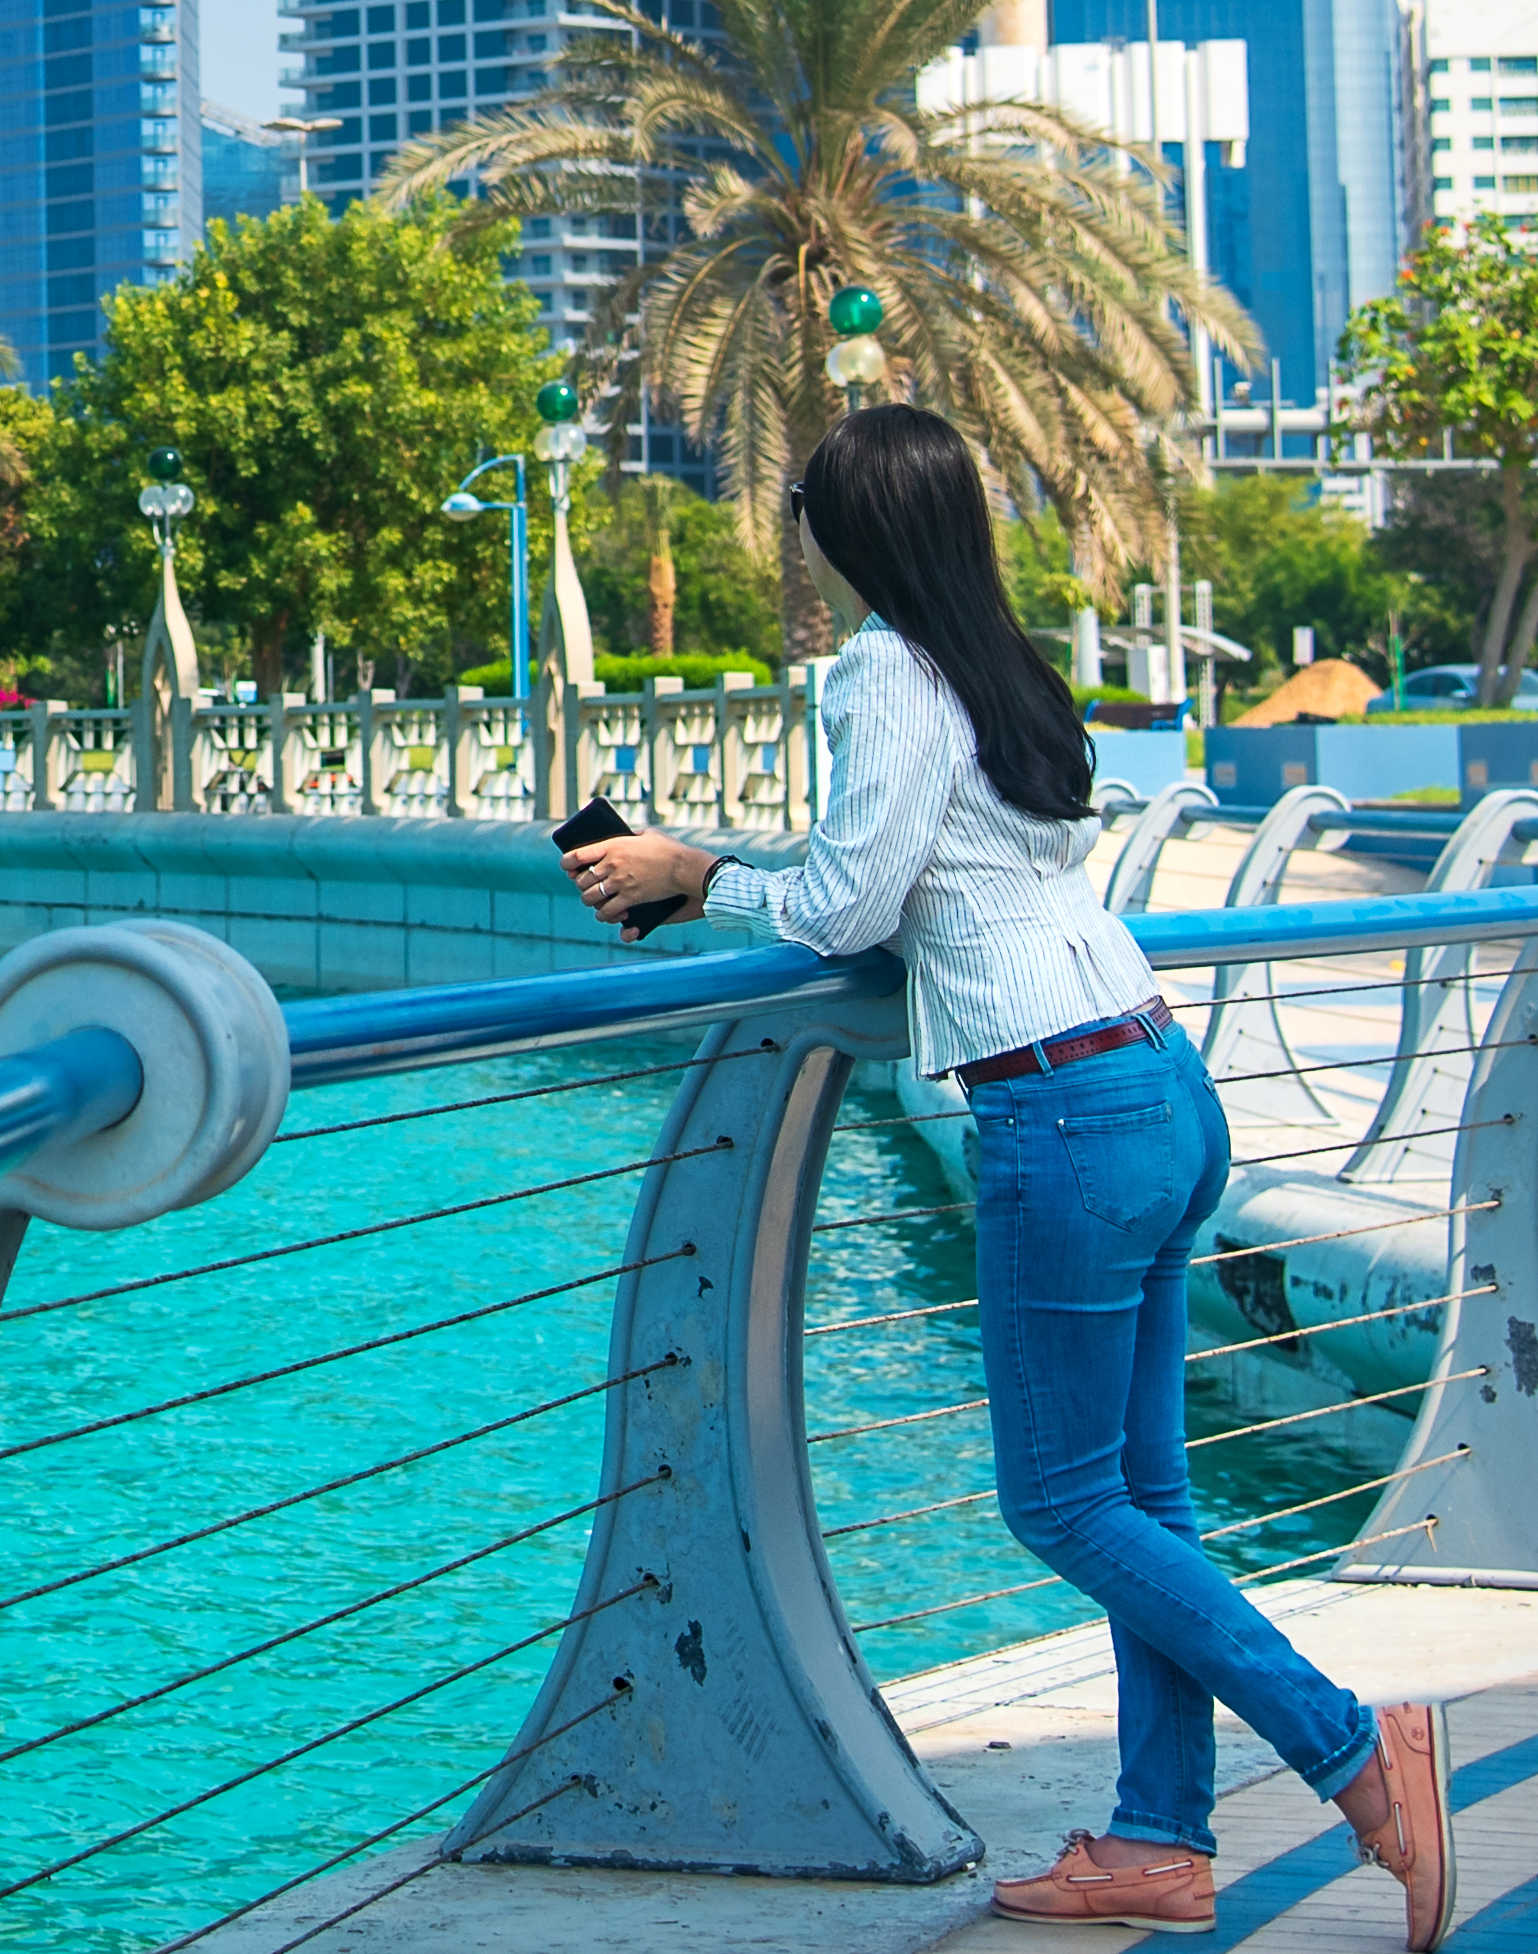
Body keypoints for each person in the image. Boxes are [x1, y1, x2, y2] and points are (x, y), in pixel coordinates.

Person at [561, 403, 1454, 1944]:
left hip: (1062, 1110)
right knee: (1148, 1498)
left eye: (804, 513)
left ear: (850, 536)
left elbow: (847, 905)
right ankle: (1160, 1844)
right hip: (1155, 1074)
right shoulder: (1002, 662)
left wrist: (693, 873)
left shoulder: (884, 669)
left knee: (1060, 1505)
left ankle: (1352, 1746)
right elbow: (943, 878)